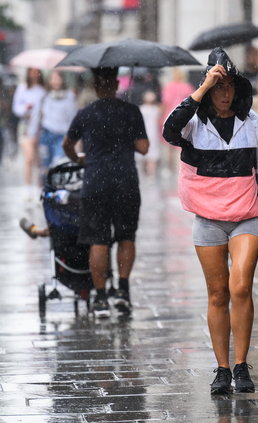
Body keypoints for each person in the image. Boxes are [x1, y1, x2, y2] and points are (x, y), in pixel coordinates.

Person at [162, 47, 258, 395]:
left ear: (238, 88)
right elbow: (168, 130)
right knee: (218, 294)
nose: (224, 93)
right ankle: (222, 369)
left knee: (240, 287)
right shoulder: (193, 123)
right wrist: (202, 88)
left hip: (246, 217)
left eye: (228, 85)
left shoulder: (251, 122)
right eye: (218, 86)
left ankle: (241, 365)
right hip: (207, 220)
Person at [62, 67, 149, 318]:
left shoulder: (85, 113)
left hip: (95, 183)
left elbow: (66, 144)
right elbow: (143, 148)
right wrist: (127, 134)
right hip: (125, 182)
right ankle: (122, 290)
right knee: (126, 236)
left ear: (96, 86)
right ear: (116, 84)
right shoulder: (131, 111)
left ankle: (100, 299)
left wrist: (79, 159)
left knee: (98, 240)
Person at [27, 70, 79, 182]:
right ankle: (47, 192)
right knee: (44, 168)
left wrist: (74, 137)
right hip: (46, 136)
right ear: (49, 81)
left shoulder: (69, 98)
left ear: (62, 80)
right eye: (53, 78)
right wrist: (32, 134)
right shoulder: (44, 98)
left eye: (58, 78)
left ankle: (56, 191)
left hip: (62, 137)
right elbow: (36, 117)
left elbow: (73, 119)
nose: (55, 81)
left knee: (58, 164)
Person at [12, 68, 46, 200]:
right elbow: (16, 107)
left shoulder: (43, 90)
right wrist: (25, 108)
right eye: (32, 71)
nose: (34, 74)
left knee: (39, 160)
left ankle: (39, 187)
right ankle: (27, 187)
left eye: (37, 71)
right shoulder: (22, 88)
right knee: (29, 158)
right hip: (26, 126)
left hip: (40, 127)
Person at [160, 68, 195, 174]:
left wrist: (161, 117)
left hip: (169, 117)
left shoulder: (169, 87)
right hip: (184, 119)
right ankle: (180, 168)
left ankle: (168, 169)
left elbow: (165, 103)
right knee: (181, 145)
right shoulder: (188, 87)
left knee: (168, 145)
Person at [137, 91, 162, 177]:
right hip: (153, 134)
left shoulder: (140, 109)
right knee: (152, 156)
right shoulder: (156, 110)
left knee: (145, 155)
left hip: (142, 134)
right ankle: (151, 174)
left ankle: (147, 172)